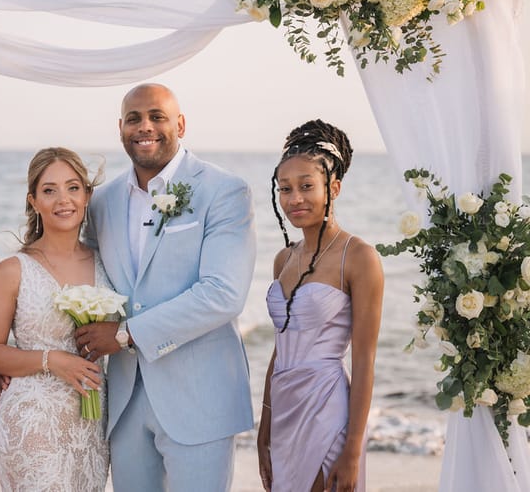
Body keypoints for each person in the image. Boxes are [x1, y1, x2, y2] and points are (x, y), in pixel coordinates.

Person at [74, 83, 257, 492]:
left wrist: (125, 335)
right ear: (121, 127)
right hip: (124, 399)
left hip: (200, 397)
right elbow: (84, 272)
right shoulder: (101, 201)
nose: (146, 127)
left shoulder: (224, 191)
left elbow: (223, 293)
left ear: (181, 124)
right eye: (135, 118)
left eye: (157, 116)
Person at [257, 120, 384, 492]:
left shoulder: (358, 257)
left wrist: (353, 451)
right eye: (286, 189)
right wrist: (264, 427)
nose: (295, 199)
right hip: (283, 410)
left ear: (335, 188)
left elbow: (364, 362)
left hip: (325, 406)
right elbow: (280, 349)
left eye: (307, 186)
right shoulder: (284, 259)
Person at [0, 147, 110, 491]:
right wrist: (54, 361)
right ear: (33, 201)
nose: (63, 200)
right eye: (49, 190)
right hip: (32, 423)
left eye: (73, 187)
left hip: (91, 427)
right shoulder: (13, 270)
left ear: (87, 196)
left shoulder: (108, 264)